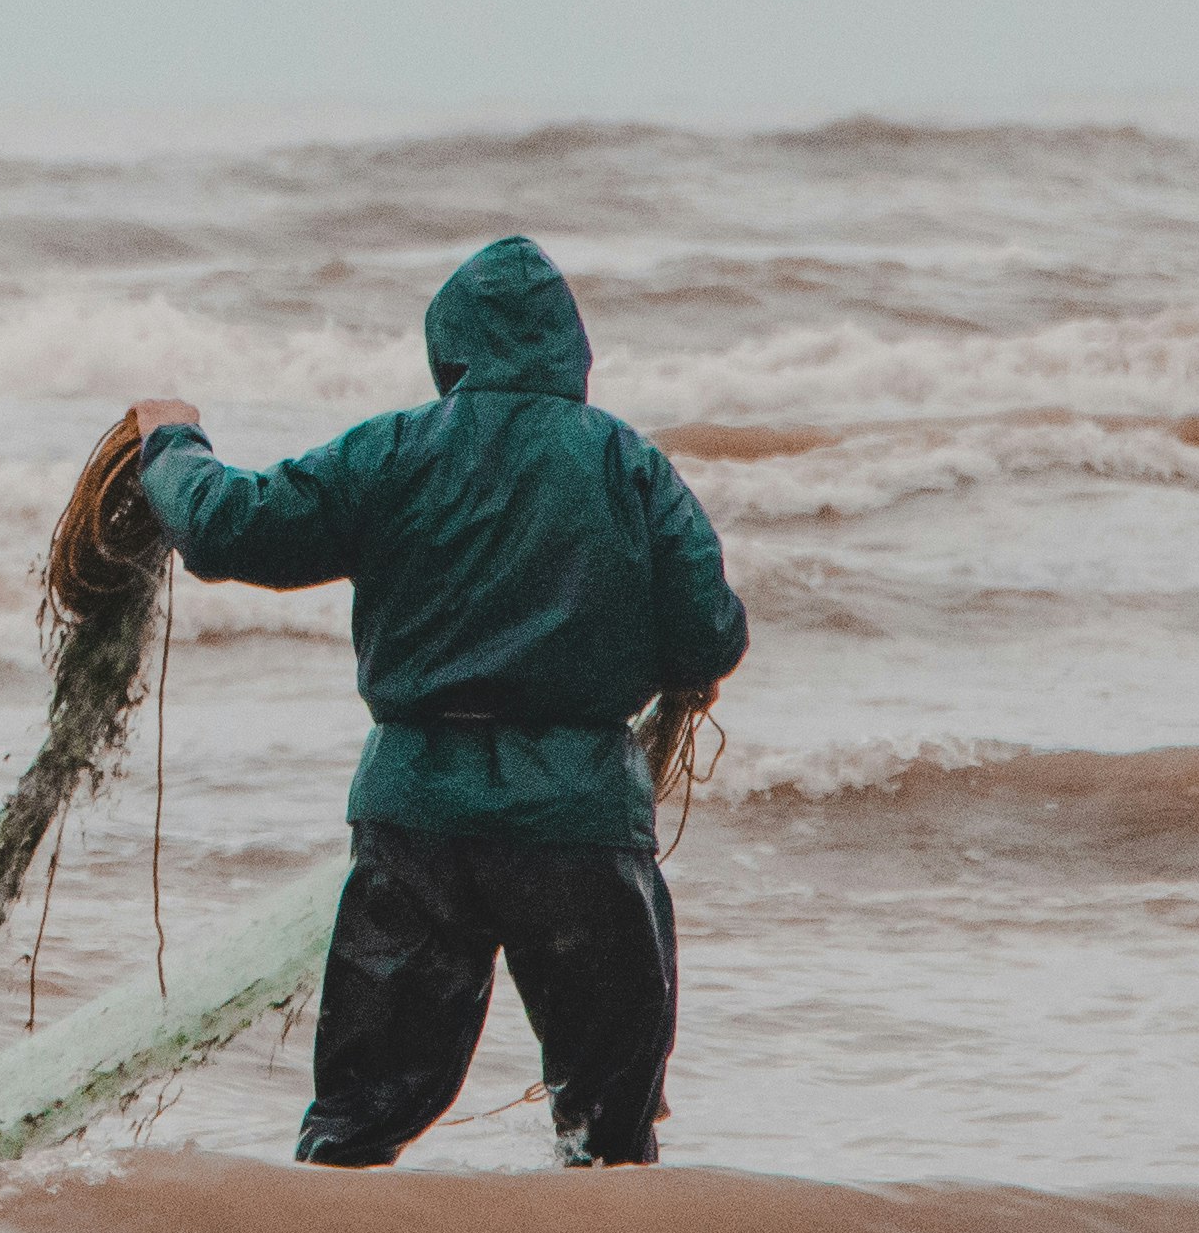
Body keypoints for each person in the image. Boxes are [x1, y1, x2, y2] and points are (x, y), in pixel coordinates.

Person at [109, 237, 747, 1170]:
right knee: (610, 1135)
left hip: (416, 825)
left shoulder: (393, 451)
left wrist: (170, 442)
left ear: (448, 349)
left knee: (356, 1130)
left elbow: (223, 528)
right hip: (579, 822)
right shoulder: (628, 464)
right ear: (572, 352)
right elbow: (710, 637)